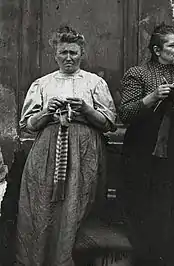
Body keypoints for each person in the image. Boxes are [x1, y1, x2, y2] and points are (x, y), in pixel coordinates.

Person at [15, 25, 116, 266]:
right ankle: (40, 259)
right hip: (46, 154)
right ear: (55, 54)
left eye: (73, 52)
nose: (68, 57)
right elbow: (29, 124)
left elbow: (108, 123)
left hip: (83, 154)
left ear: (82, 53)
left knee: (76, 206)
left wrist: (85, 108)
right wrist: (47, 112)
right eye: (63, 53)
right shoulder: (42, 84)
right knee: (43, 206)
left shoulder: (94, 83)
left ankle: (68, 260)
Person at [119, 23, 174, 266]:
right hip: (145, 155)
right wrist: (152, 97)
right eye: (173, 45)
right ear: (157, 50)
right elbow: (124, 114)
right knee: (150, 214)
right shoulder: (138, 74)